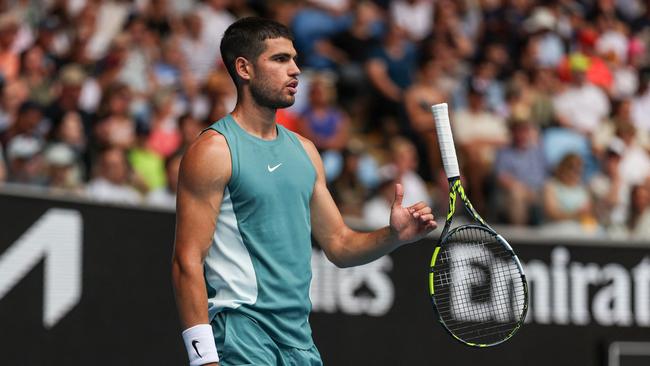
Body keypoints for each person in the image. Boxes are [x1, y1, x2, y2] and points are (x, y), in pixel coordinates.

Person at [171, 17, 437, 366]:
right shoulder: (214, 151)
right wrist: (203, 359)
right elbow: (186, 261)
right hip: (240, 336)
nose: (295, 70)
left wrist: (394, 235)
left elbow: (340, 244)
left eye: (295, 59)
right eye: (280, 59)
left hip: (298, 343)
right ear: (244, 69)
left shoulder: (306, 152)